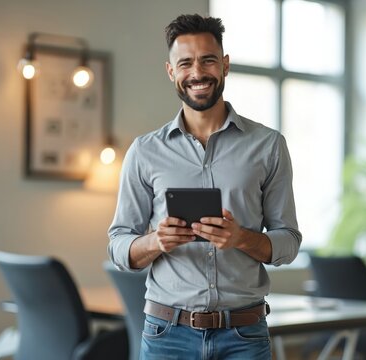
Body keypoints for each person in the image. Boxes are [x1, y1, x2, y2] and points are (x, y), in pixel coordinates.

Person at [108, 13, 301, 360]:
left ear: (224, 65)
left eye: (208, 60)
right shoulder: (145, 151)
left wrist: (240, 238)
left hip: (244, 335)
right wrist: (156, 241)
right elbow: (118, 246)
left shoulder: (268, 145)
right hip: (167, 334)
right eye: (185, 63)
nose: (197, 73)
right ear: (171, 72)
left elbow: (288, 241)